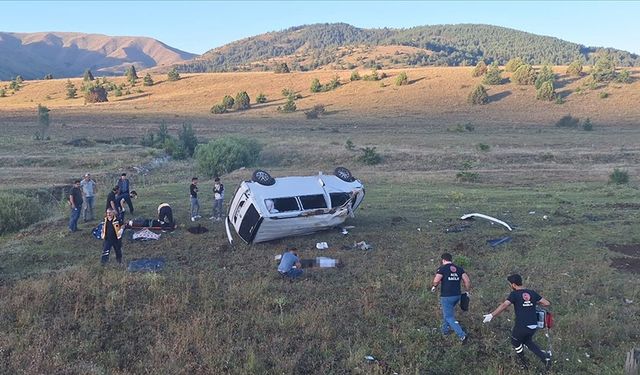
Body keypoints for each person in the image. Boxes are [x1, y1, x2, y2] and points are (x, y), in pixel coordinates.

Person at [482, 274, 552, 370]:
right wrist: (533, 302)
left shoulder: (514, 294)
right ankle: (545, 357)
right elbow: (546, 303)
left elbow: (504, 305)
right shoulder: (532, 293)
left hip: (522, 325)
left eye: (510, 284)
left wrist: (491, 315)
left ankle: (524, 364)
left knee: (515, 341)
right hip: (533, 325)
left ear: (514, 285)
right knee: (527, 341)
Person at [431, 252, 471, 343]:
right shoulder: (459, 269)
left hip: (446, 296)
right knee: (447, 313)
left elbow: (436, 280)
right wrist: (467, 291)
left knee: (449, 316)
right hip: (457, 295)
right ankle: (444, 331)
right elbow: (467, 281)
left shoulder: (442, 269)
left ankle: (462, 335)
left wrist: (434, 286)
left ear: (443, 260)